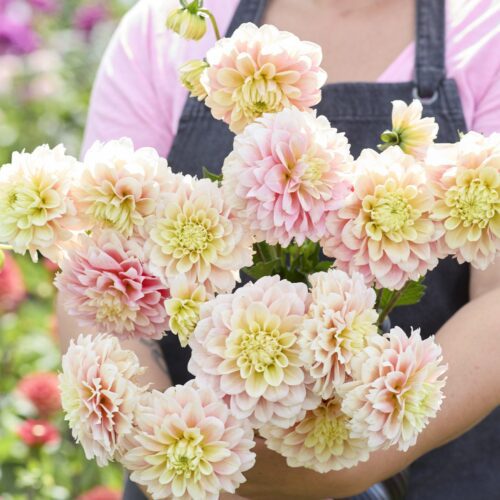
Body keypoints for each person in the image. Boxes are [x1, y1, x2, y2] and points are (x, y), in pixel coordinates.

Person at [58, 0, 500, 498]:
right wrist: (177, 446)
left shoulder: (486, 30)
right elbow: (96, 273)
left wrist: (352, 462)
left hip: (433, 472)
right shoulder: (163, 31)